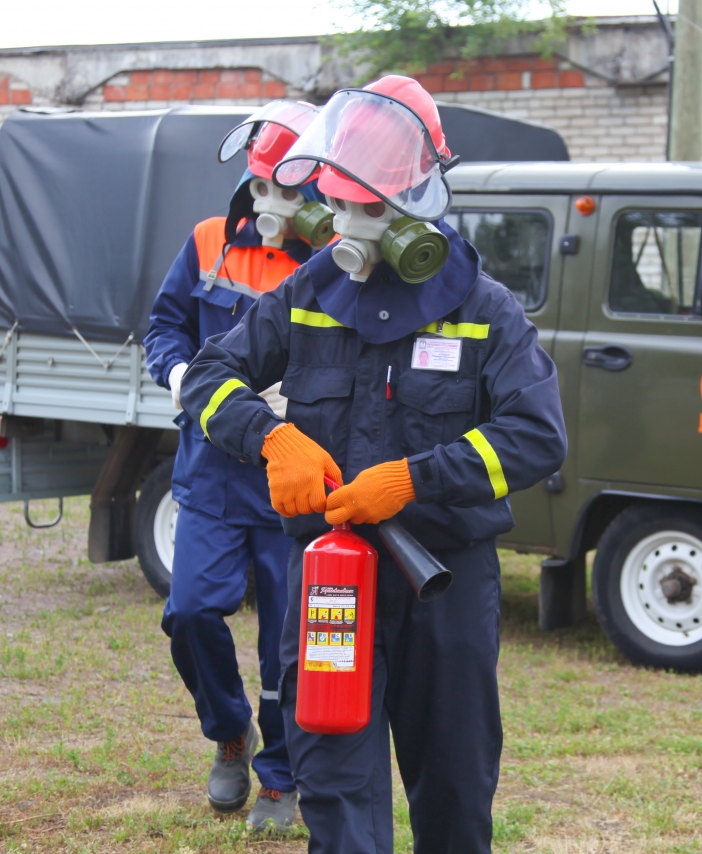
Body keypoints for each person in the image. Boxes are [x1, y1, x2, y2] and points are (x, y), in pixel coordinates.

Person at [179, 75, 567, 853]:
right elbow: (208, 378)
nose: (350, 226)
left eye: (370, 207)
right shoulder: (310, 290)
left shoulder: (484, 309)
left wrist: (415, 478)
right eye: (342, 204)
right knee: (334, 787)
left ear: (418, 203)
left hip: (442, 588)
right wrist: (270, 437)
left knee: (454, 792)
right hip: (331, 585)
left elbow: (536, 435)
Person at [144, 100, 331, 832]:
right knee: (189, 612)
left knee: (289, 645)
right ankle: (228, 731)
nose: (271, 204)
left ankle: (281, 779)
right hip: (214, 472)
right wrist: (182, 375)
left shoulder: (337, 261)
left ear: (317, 186)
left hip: (295, 482)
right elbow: (164, 324)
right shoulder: (208, 240)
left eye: (285, 189)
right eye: (261, 187)